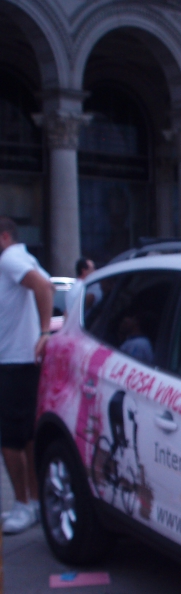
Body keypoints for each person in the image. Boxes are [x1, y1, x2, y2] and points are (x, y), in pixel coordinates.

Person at [0, 217, 53, 535]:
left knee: (9, 440)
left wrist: (45, 331)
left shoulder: (10, 259)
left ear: (4, 237)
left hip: (12, 362)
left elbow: (44, 286)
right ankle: (32, 502)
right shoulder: (22, 257)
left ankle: (23, 503)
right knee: (27, 437)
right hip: (19, 362)